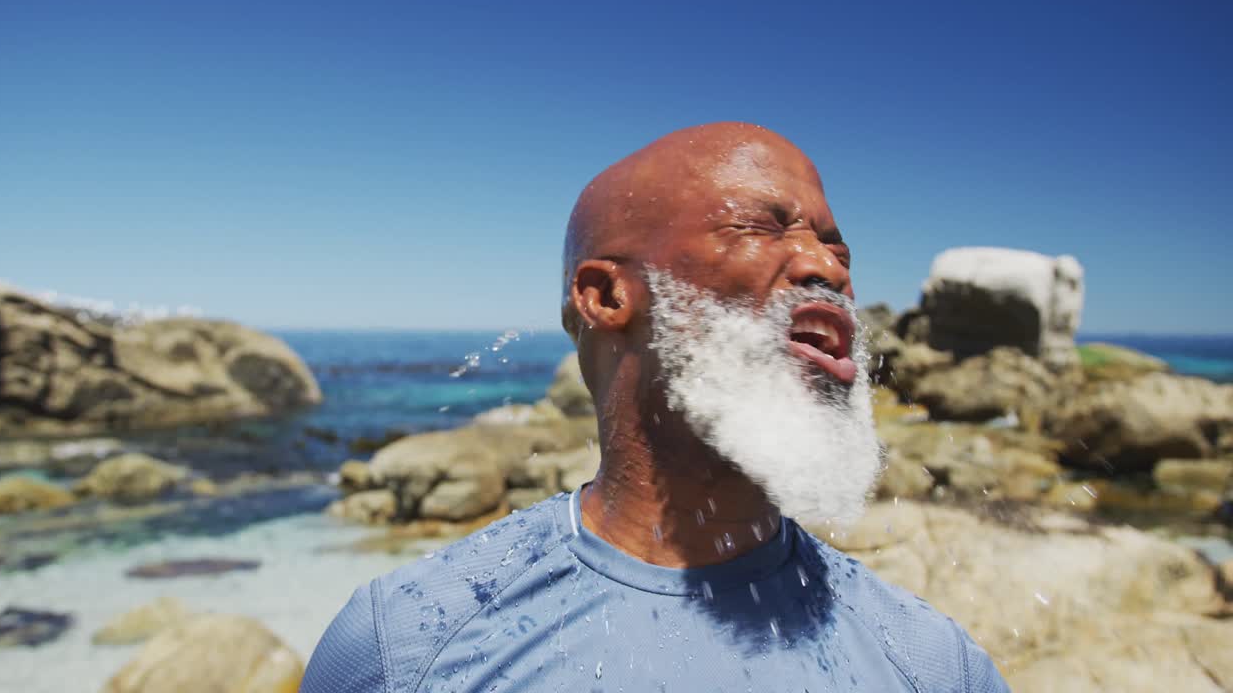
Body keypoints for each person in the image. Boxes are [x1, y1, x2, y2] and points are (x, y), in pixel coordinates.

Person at [301, 122, 1009, 692]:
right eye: (759, 229)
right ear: (607, 297)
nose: (828, 267)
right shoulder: (407, 647)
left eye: (833, 244)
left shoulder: (933, 664)